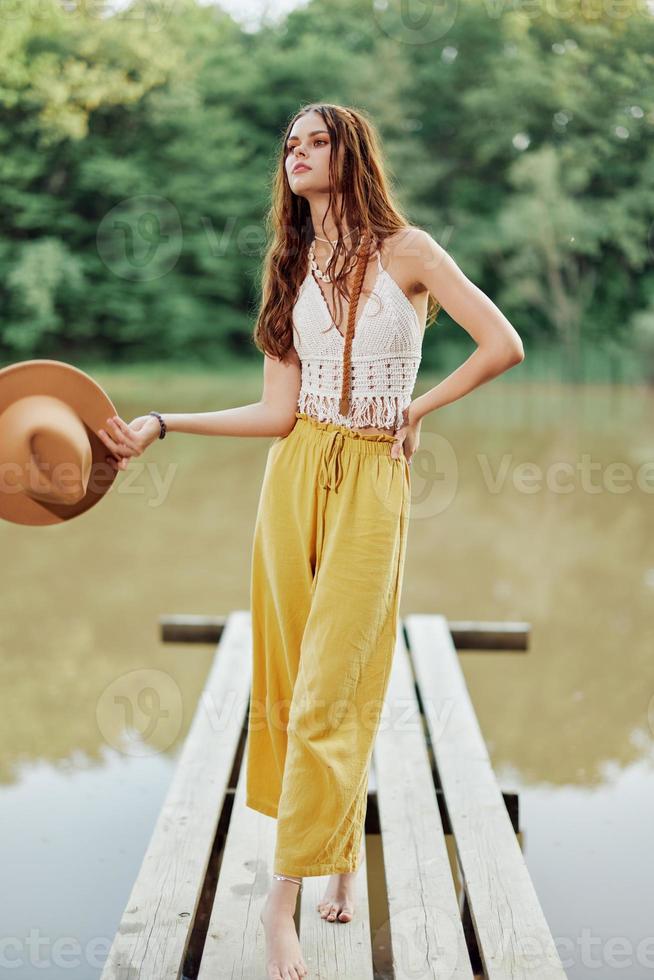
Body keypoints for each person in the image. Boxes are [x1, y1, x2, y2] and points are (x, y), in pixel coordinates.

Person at [98, 102, 524, 980]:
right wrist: (162, 423)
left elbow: (502, 343)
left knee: (339, 678)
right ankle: (329, 853)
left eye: (315, 140)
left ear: (350, 150)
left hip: (373, 478)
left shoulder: (410, 250)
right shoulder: (290, 263)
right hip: (294, 476)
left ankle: (279, 908)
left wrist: (416, 407)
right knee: (293, 682)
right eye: (289, 144)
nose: (297, 153)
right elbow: (275, 412)